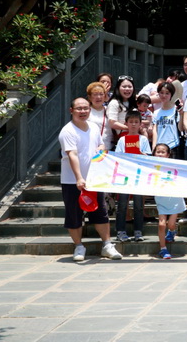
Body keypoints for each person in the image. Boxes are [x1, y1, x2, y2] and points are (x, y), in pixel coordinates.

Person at [58, 97, 122, 262]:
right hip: (73, 181)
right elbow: (72, 155)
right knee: (74, 215)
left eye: (86, 108)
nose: (83, 111)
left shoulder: (93, 127)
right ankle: (79, 246)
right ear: (71, 110)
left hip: (94, 179)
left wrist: (101, 149)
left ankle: (107, 245)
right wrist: (79, 178)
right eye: (79, 108)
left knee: (100, 212)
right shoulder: (68, 131)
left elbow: (101, 145)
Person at [114, 110, 151, 242]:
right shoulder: (122, 139)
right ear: (126, 124)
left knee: (138, 205)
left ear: (140, 124)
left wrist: (141, 154)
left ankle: (138, 231)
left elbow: (148, 157)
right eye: (131, 122)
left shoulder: (143, 139)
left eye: (136, 122)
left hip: (138, 176)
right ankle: (120, 231)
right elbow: (117, 157)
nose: (134, 124)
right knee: (122, 204)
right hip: (125, 175)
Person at [153, 143, 186, 259]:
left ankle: (172, 232)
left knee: (171, 224)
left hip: (174, 198)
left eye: (163, 152)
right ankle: (163, 249)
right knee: (161, 225)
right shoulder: (150, 166)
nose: (160, 154)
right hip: (161, 198)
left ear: (168, 155)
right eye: (158, 151)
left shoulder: (174, 165)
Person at [107, 75, 137, 148]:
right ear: (118, 88)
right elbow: (112, 123)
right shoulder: (114, 103)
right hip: (122, 139)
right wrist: (130, 128)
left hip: (135, 138)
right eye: (124, 86)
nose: (127, 89)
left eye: (130, 87)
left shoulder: (134, 103)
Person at [152, 82, 181, 158]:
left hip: (173, 146)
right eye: (161, 93)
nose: (164, 95)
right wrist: (154, 147)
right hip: (159, 149)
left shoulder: (176, 111)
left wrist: (182, 114)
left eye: (167, 93)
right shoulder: (156, 112)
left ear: (171, 95)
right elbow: (155, 130)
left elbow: (181, 128)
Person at [86, 82, 113, 151]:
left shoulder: (109, 110)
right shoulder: (86, 111)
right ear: (89, 97)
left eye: (101, 94)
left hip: (108, 148)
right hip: (90, 148)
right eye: (95, 94)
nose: (98, 97)